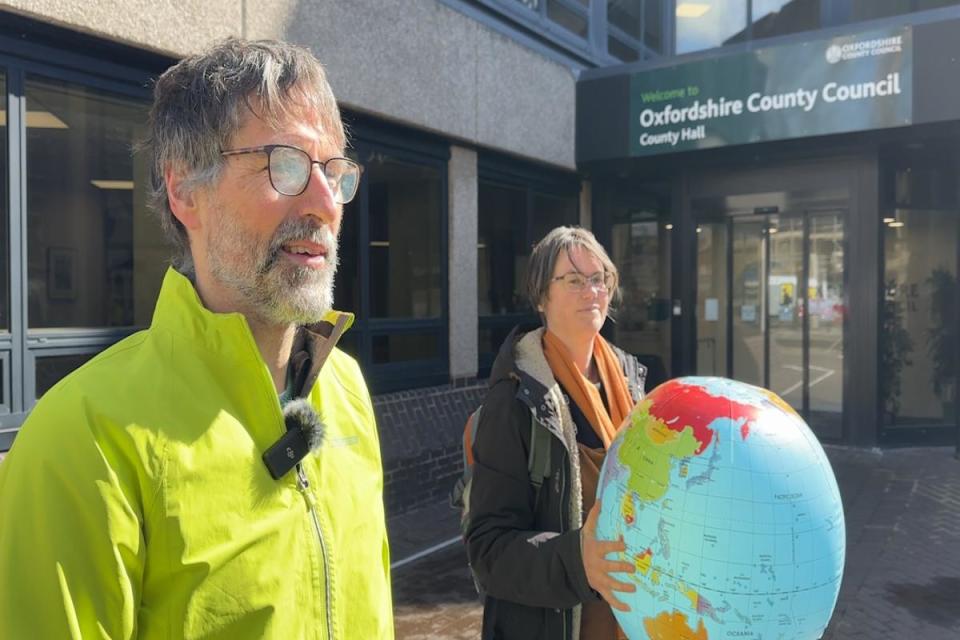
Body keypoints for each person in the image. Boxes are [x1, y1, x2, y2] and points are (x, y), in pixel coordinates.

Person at [0, 39, 393, 639]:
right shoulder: (85, 439)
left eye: (334, 172)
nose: (324, 203)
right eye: (285, 164)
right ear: (185, 191)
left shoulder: (347, 389)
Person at [466, 226, 646, 639]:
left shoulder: (632, 382)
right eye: (574, 280)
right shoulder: (514, 400)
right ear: (542, 297)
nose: (592, 291)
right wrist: (577, 561)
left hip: (632, 621)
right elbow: (488, 551)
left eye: (598, 278)